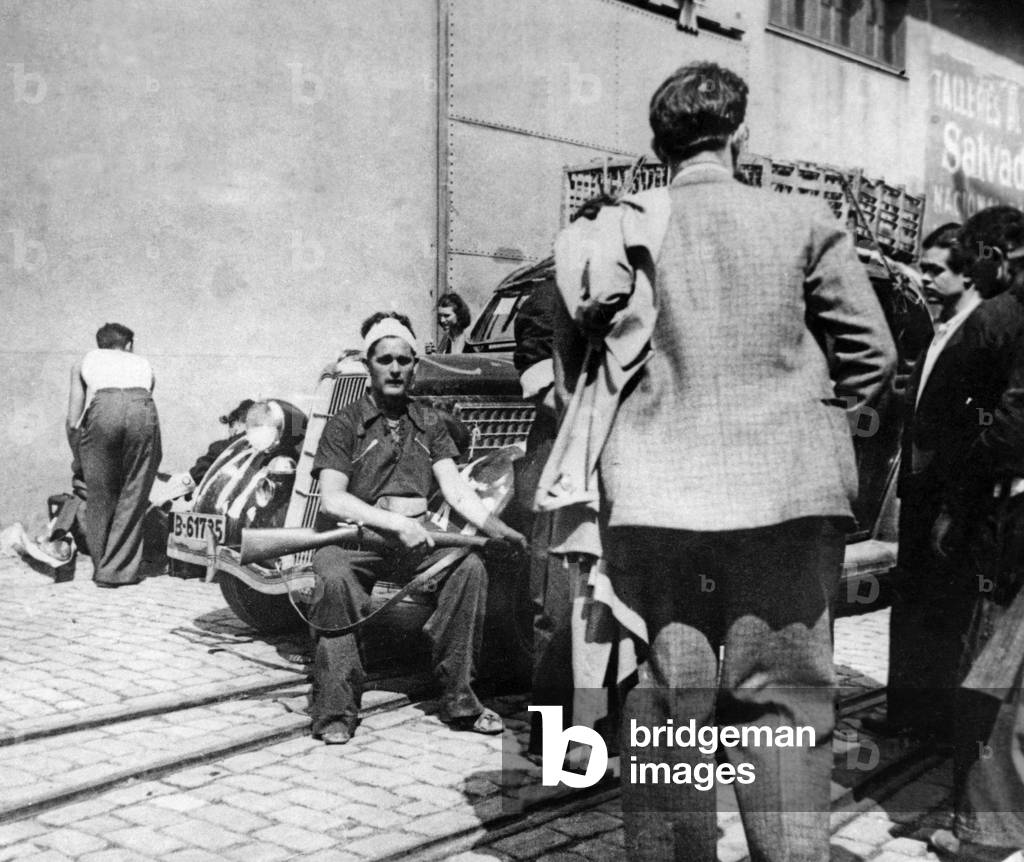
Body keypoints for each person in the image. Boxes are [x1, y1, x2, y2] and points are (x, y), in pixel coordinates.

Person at [553, 63, 895, 861]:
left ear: (656, 145)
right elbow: (871, 353)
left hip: (656, 507)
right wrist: (802, 421)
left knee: (672, 703)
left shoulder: (617, 229)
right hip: (784, 507)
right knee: (781, 708)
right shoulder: (804, 220)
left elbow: (575, 372)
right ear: (741, 134)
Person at [307, 310, 526, 744]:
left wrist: (498, 529)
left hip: (420, 538)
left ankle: (460, 696)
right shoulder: (344, 423)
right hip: (357, 539)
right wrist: (391, 522)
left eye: (403, 361)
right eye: (384, 359)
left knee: (468, 570)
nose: (394, 368)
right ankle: (335, 711)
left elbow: (456, 489)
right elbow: (333, 498)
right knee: (333, 578)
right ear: (369, 365)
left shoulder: (429, 421)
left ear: (414, 367)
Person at [928, 206, 1024, 861]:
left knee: (990, 671)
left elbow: (993, 428)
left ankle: (987, 833)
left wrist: (956, 501)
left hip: (1008, 521)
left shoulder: (1001, 317)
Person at [868, 223, 980, 738]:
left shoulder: (979, 330)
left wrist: (953, 501)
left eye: (936, 270)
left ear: (967, 271)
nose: (926, 279)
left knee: (941, 609)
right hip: (919, 490)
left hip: (947, 493)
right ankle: (905, 714)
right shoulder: (942, 326)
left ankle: (933, 721)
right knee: (910, 601)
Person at [66, 323, 161, 588]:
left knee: (100, 494)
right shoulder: (143, 364)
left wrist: (79, 456)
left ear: (100, 344)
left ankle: (102, 565)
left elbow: (73, 421)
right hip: (141, 406)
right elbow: (142, 403)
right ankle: (117, 570)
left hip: (103, 409)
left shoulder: (84, 362)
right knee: (134, 489)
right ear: (129, 344)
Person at [187, 398, 254, 485]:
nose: (231, 433)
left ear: (236, 424)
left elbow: (198, 474)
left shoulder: (223, 446)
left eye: (231, 427)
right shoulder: (270, 447)